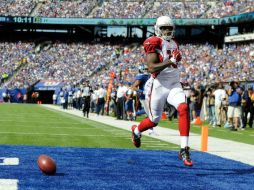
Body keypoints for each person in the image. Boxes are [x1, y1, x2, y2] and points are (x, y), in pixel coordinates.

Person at [131, 15, 193, 166]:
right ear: (157, 28)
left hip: (173, 84)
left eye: (169, 28)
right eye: (164, 27)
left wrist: (174, 64)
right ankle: (136, 131)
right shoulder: (153, 41)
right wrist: (170, 60)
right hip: (158, 84)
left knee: (184, 108)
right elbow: (151, 68)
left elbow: (172, 65)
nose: (167, 30)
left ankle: (184, 149)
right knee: (154, 121)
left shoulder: (174, 43)